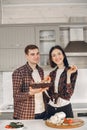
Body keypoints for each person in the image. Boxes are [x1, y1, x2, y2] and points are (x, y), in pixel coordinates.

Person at [12, 44, 49, 119]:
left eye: (37, 53)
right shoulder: (19, 72)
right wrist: (30, 93)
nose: (36, 56)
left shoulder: (40, 70)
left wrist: (45, 84)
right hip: (27, 114)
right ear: (26, 56)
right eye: (32, 54)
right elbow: (16, 96)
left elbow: (40, 90)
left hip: (43, 111)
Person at [46, 45, 78, 119]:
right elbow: (49, 93)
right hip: (51, 108)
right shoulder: (52, 74)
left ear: (63, 55)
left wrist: (68, 75)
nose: (57, 57)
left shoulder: (71, 70)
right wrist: (45, 85)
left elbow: (69, 93)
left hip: (65, 108)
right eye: (54, 55)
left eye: (59, 54)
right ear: (51, 58)